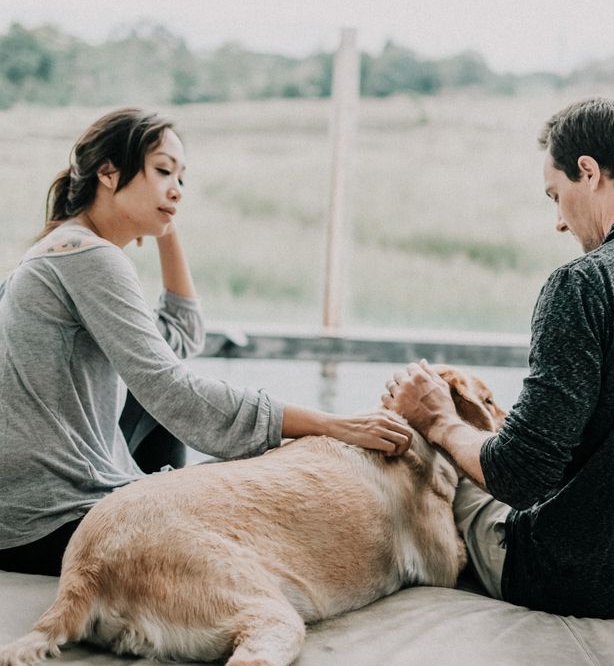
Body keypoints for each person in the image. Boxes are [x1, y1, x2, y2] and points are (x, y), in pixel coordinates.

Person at [0, 107, 411, 576]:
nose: (177, 189)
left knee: (162, 404)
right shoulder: (87, 257)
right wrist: (330, 424)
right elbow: (171, 388)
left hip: (19, 515)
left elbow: (178, 338)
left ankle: (158, 491)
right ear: (108, 173)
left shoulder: (65, 247)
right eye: (162, 171)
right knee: (235, 519)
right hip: (46, 520)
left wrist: (164, 226)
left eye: (181, 178)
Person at [384, 96, 614, 619]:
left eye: (555, 195)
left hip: (574, 580)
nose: (559, 223)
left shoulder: (588, 284)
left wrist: (437, 419)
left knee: (439, 473)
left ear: (588, 172)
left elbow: (519, 476)